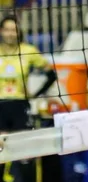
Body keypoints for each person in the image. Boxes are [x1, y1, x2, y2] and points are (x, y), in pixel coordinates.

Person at [0, 17, 58, 182]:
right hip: (0, 105)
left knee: (24, 153)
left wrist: (36, 93)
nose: (10, 33)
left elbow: (51, 74)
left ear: (19, 32)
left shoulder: (28, 50)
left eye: (14, 30)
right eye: (7, 29)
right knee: (0, 151)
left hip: (20, 105)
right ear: (1, 31)